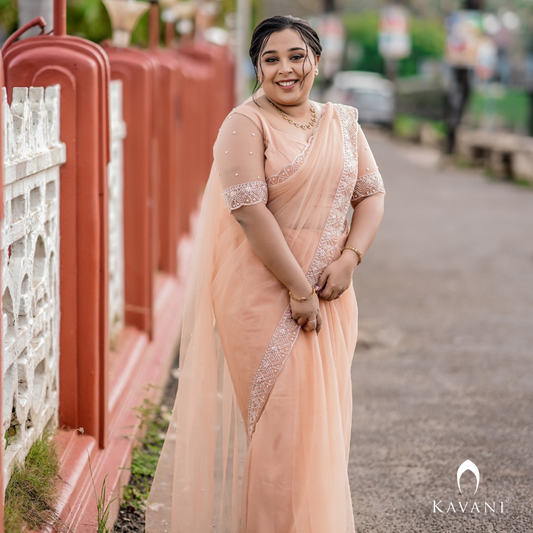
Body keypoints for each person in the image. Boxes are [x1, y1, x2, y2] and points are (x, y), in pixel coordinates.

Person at [147, 15, 386, 533]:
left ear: (316, 61)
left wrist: (350, 259)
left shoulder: (343, 122)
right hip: (263, 296)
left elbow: (371, 195)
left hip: (331, 293)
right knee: (282, 435)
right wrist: (299, 289)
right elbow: (249, 212)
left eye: (296, 56)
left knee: (317, 432)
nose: (285, 69)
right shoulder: (244, 123)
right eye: (270, 59)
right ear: (256, 67)